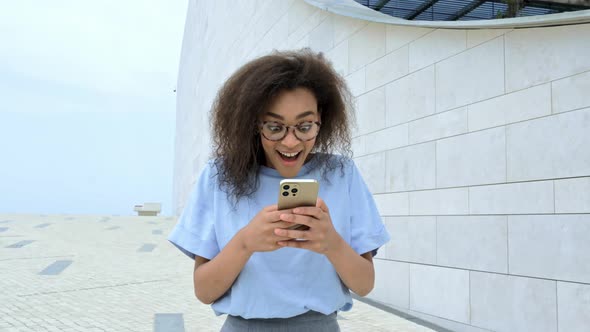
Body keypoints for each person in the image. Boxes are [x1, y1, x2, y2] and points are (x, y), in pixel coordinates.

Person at [168, 48, 390, 331]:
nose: (290, 142)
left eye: (304, 126)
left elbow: (364, 284)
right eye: (275, 127)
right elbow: (204, 291)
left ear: (322, 119)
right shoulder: (219, 176)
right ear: (252, 123)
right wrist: (246, 242)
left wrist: (331, 242)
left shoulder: (342, 174)